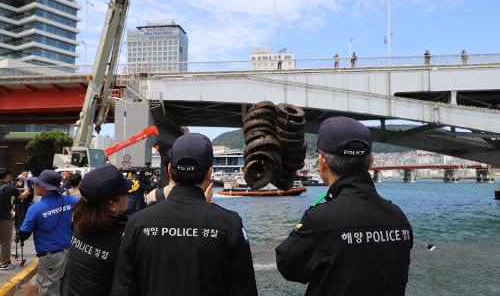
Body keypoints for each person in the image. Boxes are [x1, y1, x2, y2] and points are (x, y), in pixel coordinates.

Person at [276, 117, 413, 296]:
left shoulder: (320, 219)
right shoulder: (398, 217)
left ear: (323, 162)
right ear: (370, 163)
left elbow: (288, 266)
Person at [111, 133, 257, 296]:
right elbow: (245, 290)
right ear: (209, 173)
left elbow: (122, 288)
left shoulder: (137, 222)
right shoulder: (230, 224)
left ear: (169, 170)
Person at [63, 164, 129, 296]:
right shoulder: (123, 236)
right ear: (111, 205)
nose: (128, 196)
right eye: (125, 192)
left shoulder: (80, 223)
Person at [19, 169, 79, 296]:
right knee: (65, 290)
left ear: (46, 188)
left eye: (37, 184)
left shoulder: (35, 209)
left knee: (48, 291)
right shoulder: (69, 200)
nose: (34, 186)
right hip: (69, 253)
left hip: (50, 258)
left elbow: (23, 235)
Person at [0, 169, 30, 269]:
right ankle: (5, 263)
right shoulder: (9, 188)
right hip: (4, 218)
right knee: (5, 241)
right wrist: (26, 190)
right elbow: (21, 197)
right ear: (7, 176)